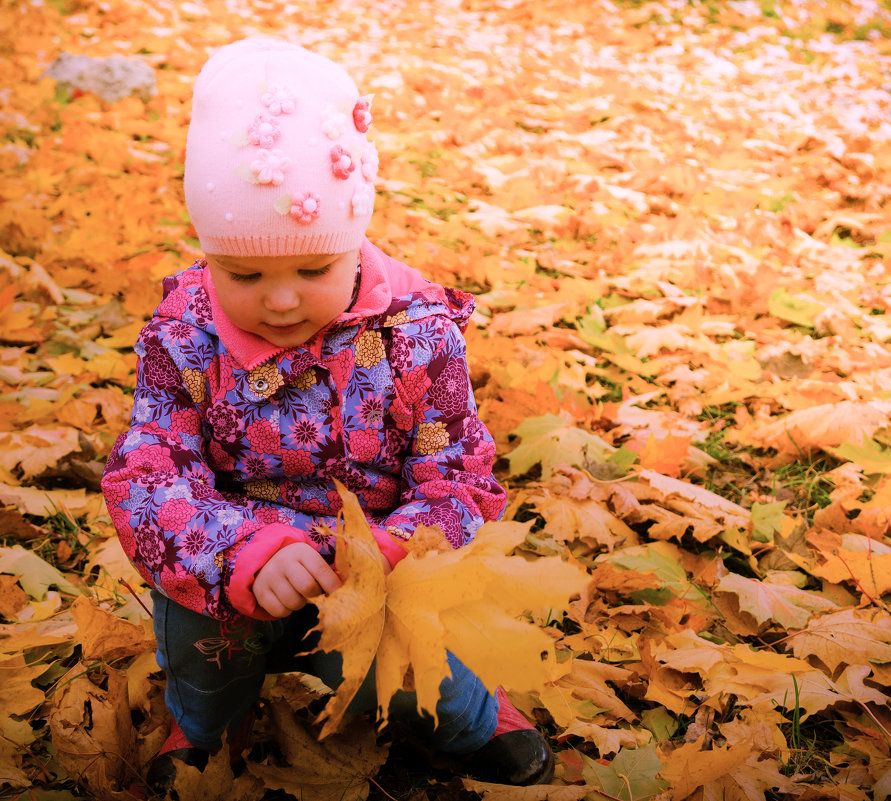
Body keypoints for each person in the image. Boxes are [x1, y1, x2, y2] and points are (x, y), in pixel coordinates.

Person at [100, 37, 554, 793]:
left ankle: (477, 714)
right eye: (244, 273)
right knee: (202, 638)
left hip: (382, 567)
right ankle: (205, 720)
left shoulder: (415, 335)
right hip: (237, 564)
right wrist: (242, 550)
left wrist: (386, 554)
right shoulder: (184, 336)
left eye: (313, 268)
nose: (280, 299)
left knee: (422, 674)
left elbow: (460, 480)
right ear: (208, 256)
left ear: (354, 242)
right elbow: (150, 476)